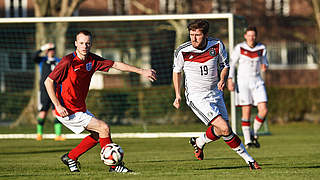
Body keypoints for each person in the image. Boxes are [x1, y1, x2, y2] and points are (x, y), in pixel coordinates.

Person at [44, 30, 157, 173]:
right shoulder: (67, 61)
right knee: (104, 128)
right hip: (67, 110)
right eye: (81, 43)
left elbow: (116, 65)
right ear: (75, 44)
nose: (84, 46)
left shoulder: (92, 60)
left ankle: (71, 157)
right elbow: (48, 82)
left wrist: (141, 71)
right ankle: (115, 166)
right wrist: (58, 106)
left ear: (91, 44)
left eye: (87, 43)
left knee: (99, 134)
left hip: (80, 108)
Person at [172, 20, 261, 170]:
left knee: (221, 131)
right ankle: (250, 160)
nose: (193, 38)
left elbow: (225, 66)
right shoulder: (182, 51)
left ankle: (199, 142)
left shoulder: (217, 45)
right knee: (225, 128)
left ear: (205, 35)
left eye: (197, 35)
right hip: (197, 96)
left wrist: (222, 78)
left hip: (215, 92)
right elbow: (177, 72)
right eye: (191, 35)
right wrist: (177, 94)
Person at [227, 26, 268, 149]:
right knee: (247, 110)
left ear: (256, 36)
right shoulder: (239, 48)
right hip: (243, 82)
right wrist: (230, 79)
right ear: (245, 36)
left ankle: (254, 133)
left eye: (253, 35)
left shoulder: (261, 48)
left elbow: (264, 62)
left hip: (257, 81)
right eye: (249, 35)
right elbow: (232, 64)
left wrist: (265, 66)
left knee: (264, 110)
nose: (251, 38)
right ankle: (248, 141)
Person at [33, 43, 65, 141]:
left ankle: (58, 135)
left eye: (53, 49)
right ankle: (39, 133)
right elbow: (34, 56)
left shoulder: (58, 61)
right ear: (47, 51)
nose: (51, 51)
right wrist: (43, 47)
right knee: (43, 112)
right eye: (49, 49)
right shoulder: (42, 60)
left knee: (56, 111)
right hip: (44, 90)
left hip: (56, 90)